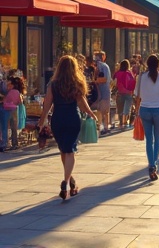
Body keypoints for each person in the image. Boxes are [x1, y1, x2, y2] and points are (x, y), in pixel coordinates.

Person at [37, 55, 98, 199]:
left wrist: (41, 121)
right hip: (72, 118)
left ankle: (70, 180)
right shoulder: (76, 83)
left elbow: (47, 105)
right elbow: (82, 103)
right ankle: (66, 181)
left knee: (64, 150)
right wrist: (91, 113)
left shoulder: (53, 84)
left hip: (58, 119)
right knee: (70, 150)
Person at [134, 54, 159, 181]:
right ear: (158, 64)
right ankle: (154, 165)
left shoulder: (141, 77)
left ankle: (151, 164)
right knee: (158, 139)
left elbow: (136, 94)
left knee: (149, 140)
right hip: (158, 110)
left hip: (144, 109)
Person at [0, 75, 24, 151]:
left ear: (12, 85)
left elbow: (4, 101)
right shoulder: (17, 92)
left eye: (9, 85)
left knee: (4, 128)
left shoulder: (9, 93)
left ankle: (4, 144)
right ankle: (15, 144)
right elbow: (20, 102)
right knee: (14, 128)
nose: (7, 86)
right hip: (15, 110)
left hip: (6, 110)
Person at [94, 51, 112, 134]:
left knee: (103, 111)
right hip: (101, 92)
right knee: (103, 111)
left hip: (102, 91)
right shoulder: (104, 66)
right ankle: (103, 126)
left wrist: (95, 81)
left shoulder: (102, 66)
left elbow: (104, 79)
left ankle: (104, 127)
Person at [114, 59, 135, 129]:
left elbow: (114, 83)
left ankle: (121, 123)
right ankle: (125, 123)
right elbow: (133, 83)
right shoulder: (129, 73)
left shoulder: (117, 73)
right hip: (128, 93)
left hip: (120, 93)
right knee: (127, 109)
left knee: (120, 109)